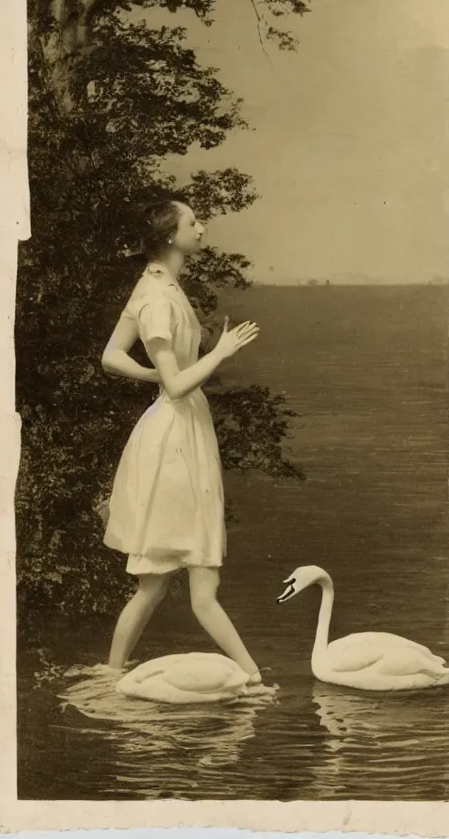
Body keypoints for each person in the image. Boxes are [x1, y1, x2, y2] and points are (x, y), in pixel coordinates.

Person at [101, 198, 262, 684]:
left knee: (163, 585)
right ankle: (253, 678)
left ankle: (112, 676)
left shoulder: (157, 284)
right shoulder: (157, 296)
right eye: (194, 221)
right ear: (172, 235)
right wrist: (220, 353)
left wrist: (159, 371)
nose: (203, 225)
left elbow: (111, 356)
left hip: (182, 428)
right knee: (188, 580)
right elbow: (174, 385)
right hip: (174, 441)